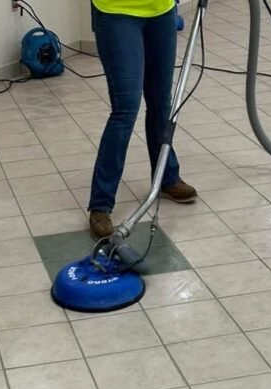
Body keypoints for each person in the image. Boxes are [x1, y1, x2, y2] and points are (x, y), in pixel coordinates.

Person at [88, 0, 198, 240]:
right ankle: (100, 203)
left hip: (162, 10)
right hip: (116, 11)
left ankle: (166, 177)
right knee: (125, 109)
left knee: (161, 102)